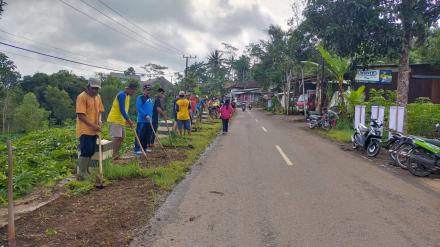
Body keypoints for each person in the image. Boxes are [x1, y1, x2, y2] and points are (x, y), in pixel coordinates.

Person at [75, 78, 105, 180]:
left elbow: (100, 110)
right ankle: (81, 173)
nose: (95, 91)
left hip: (94, 130)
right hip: (84, 130)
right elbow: (81, 115)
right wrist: (93, 125)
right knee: (86, 151)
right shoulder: (82, 97)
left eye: (97, 89)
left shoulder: (98, 97)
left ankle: (87, 171)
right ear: (88, 87)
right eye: (93, 88)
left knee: (91, 151)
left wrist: (99, 121)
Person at [107, 82, 138, 160]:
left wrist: (126, 119)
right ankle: (112, 155)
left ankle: (116, 155)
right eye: (133, 91)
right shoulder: (121, 95)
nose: (134, 93)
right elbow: (122, 110)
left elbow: (125, 110)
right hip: (115, 119)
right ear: (129, 89)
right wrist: (129, 119)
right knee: (117, 137)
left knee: (121, 138)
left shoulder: (128, 96)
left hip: (121, 120)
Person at [134, 84, 154, 155]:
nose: (148, 91)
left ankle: (144, 148)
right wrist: (145, 115)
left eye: (149, 90)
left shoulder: (150, 99)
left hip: (149, 121)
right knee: (140, 135)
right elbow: (138, 108)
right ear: (143, 90)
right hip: (142, 120)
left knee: (147, 135)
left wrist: (151, 118)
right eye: (147, 90)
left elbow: (151, 109)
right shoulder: (140, 97)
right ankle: (136, 149)